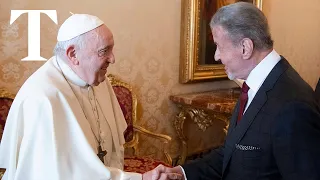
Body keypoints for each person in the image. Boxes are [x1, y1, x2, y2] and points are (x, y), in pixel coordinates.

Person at [144, 2, 320, 180]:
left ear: (245, 47)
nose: (216, 56)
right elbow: (231, 154)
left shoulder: (292, 107)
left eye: (219, 46)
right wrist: (181, 172)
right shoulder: (254, 85)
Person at [0, 14, 182, 180]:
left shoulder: (99, 80)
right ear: (73, 54)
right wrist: (142, 178)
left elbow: (111, 149)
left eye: (112, 49)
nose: (113, 58)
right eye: (104, 51)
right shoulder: (43, 98)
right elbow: (64, 174)